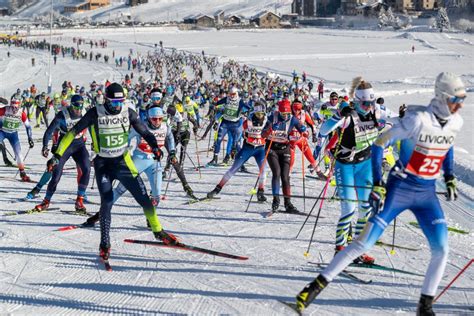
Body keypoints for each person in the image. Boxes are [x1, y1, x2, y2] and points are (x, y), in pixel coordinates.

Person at [294, 72, 466, 315]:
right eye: (364, 103)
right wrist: (335, 117)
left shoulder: (448, 121)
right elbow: (323, 131)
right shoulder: (350, 115)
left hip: (399, 180)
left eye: (371, 103)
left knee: (370, 213)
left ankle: (424, 307)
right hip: (352, 167)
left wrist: (448, 176)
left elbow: (440, 142)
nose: (368, 107)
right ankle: (334, 257)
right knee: (350, 209)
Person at [51, 83, 178, 261]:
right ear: (106, 100)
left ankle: (158, 231)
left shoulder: (128, 112)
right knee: (107, 202)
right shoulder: (95, 112)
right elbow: (72, 133)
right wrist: (57, 154)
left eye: (120, 101)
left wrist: (155, 147)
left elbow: (145, 131)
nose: (117, 105)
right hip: (103, 164)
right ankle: (104, 243)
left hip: (123, 162)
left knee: (144, 199)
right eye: (114, 102)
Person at [30, 95, 90, 213]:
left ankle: (80, 200)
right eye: (75, 107)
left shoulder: (84, 111)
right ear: (71, 106)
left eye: (80, 107)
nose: (78, 110)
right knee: (56, 175)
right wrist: (45, 146)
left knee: (86, 169)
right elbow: (49, 131)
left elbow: (93, 126)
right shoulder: (62, 115)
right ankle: (46, 201)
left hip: (79, 145)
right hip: (64, 146)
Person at [207, 101, 268, 201]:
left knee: (264, 170)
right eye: (257, 113)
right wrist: (235, 146)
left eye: (261, 113)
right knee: (233, 170)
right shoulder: (248, 121)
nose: (259, 116)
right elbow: (239, 133)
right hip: (247, 148)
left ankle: (260, 192)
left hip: (260, 150)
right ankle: (217, 189)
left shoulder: (267, 121)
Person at [262, 99, 306, 212]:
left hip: (284, 148)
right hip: (272, 148)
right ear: (279, 112)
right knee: (276, 173)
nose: (285, 116)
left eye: (287, 114)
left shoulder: (293, 119)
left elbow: (303, 129)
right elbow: (263, 134)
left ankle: (288, 203)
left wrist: (303, 129)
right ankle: (276, 200)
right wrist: (270, 129)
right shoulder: (272, 117)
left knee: (285, 177)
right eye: (283, 114)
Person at [0, 98, 34, 181]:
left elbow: (28, 127)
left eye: (16, 108)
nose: (15, 110)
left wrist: (30, 138)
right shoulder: (5, 109)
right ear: (11, 106)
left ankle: (22, 173)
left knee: (19, 154)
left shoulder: (22, 113)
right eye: (13, 107)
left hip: (13, 135)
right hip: (2, 132)